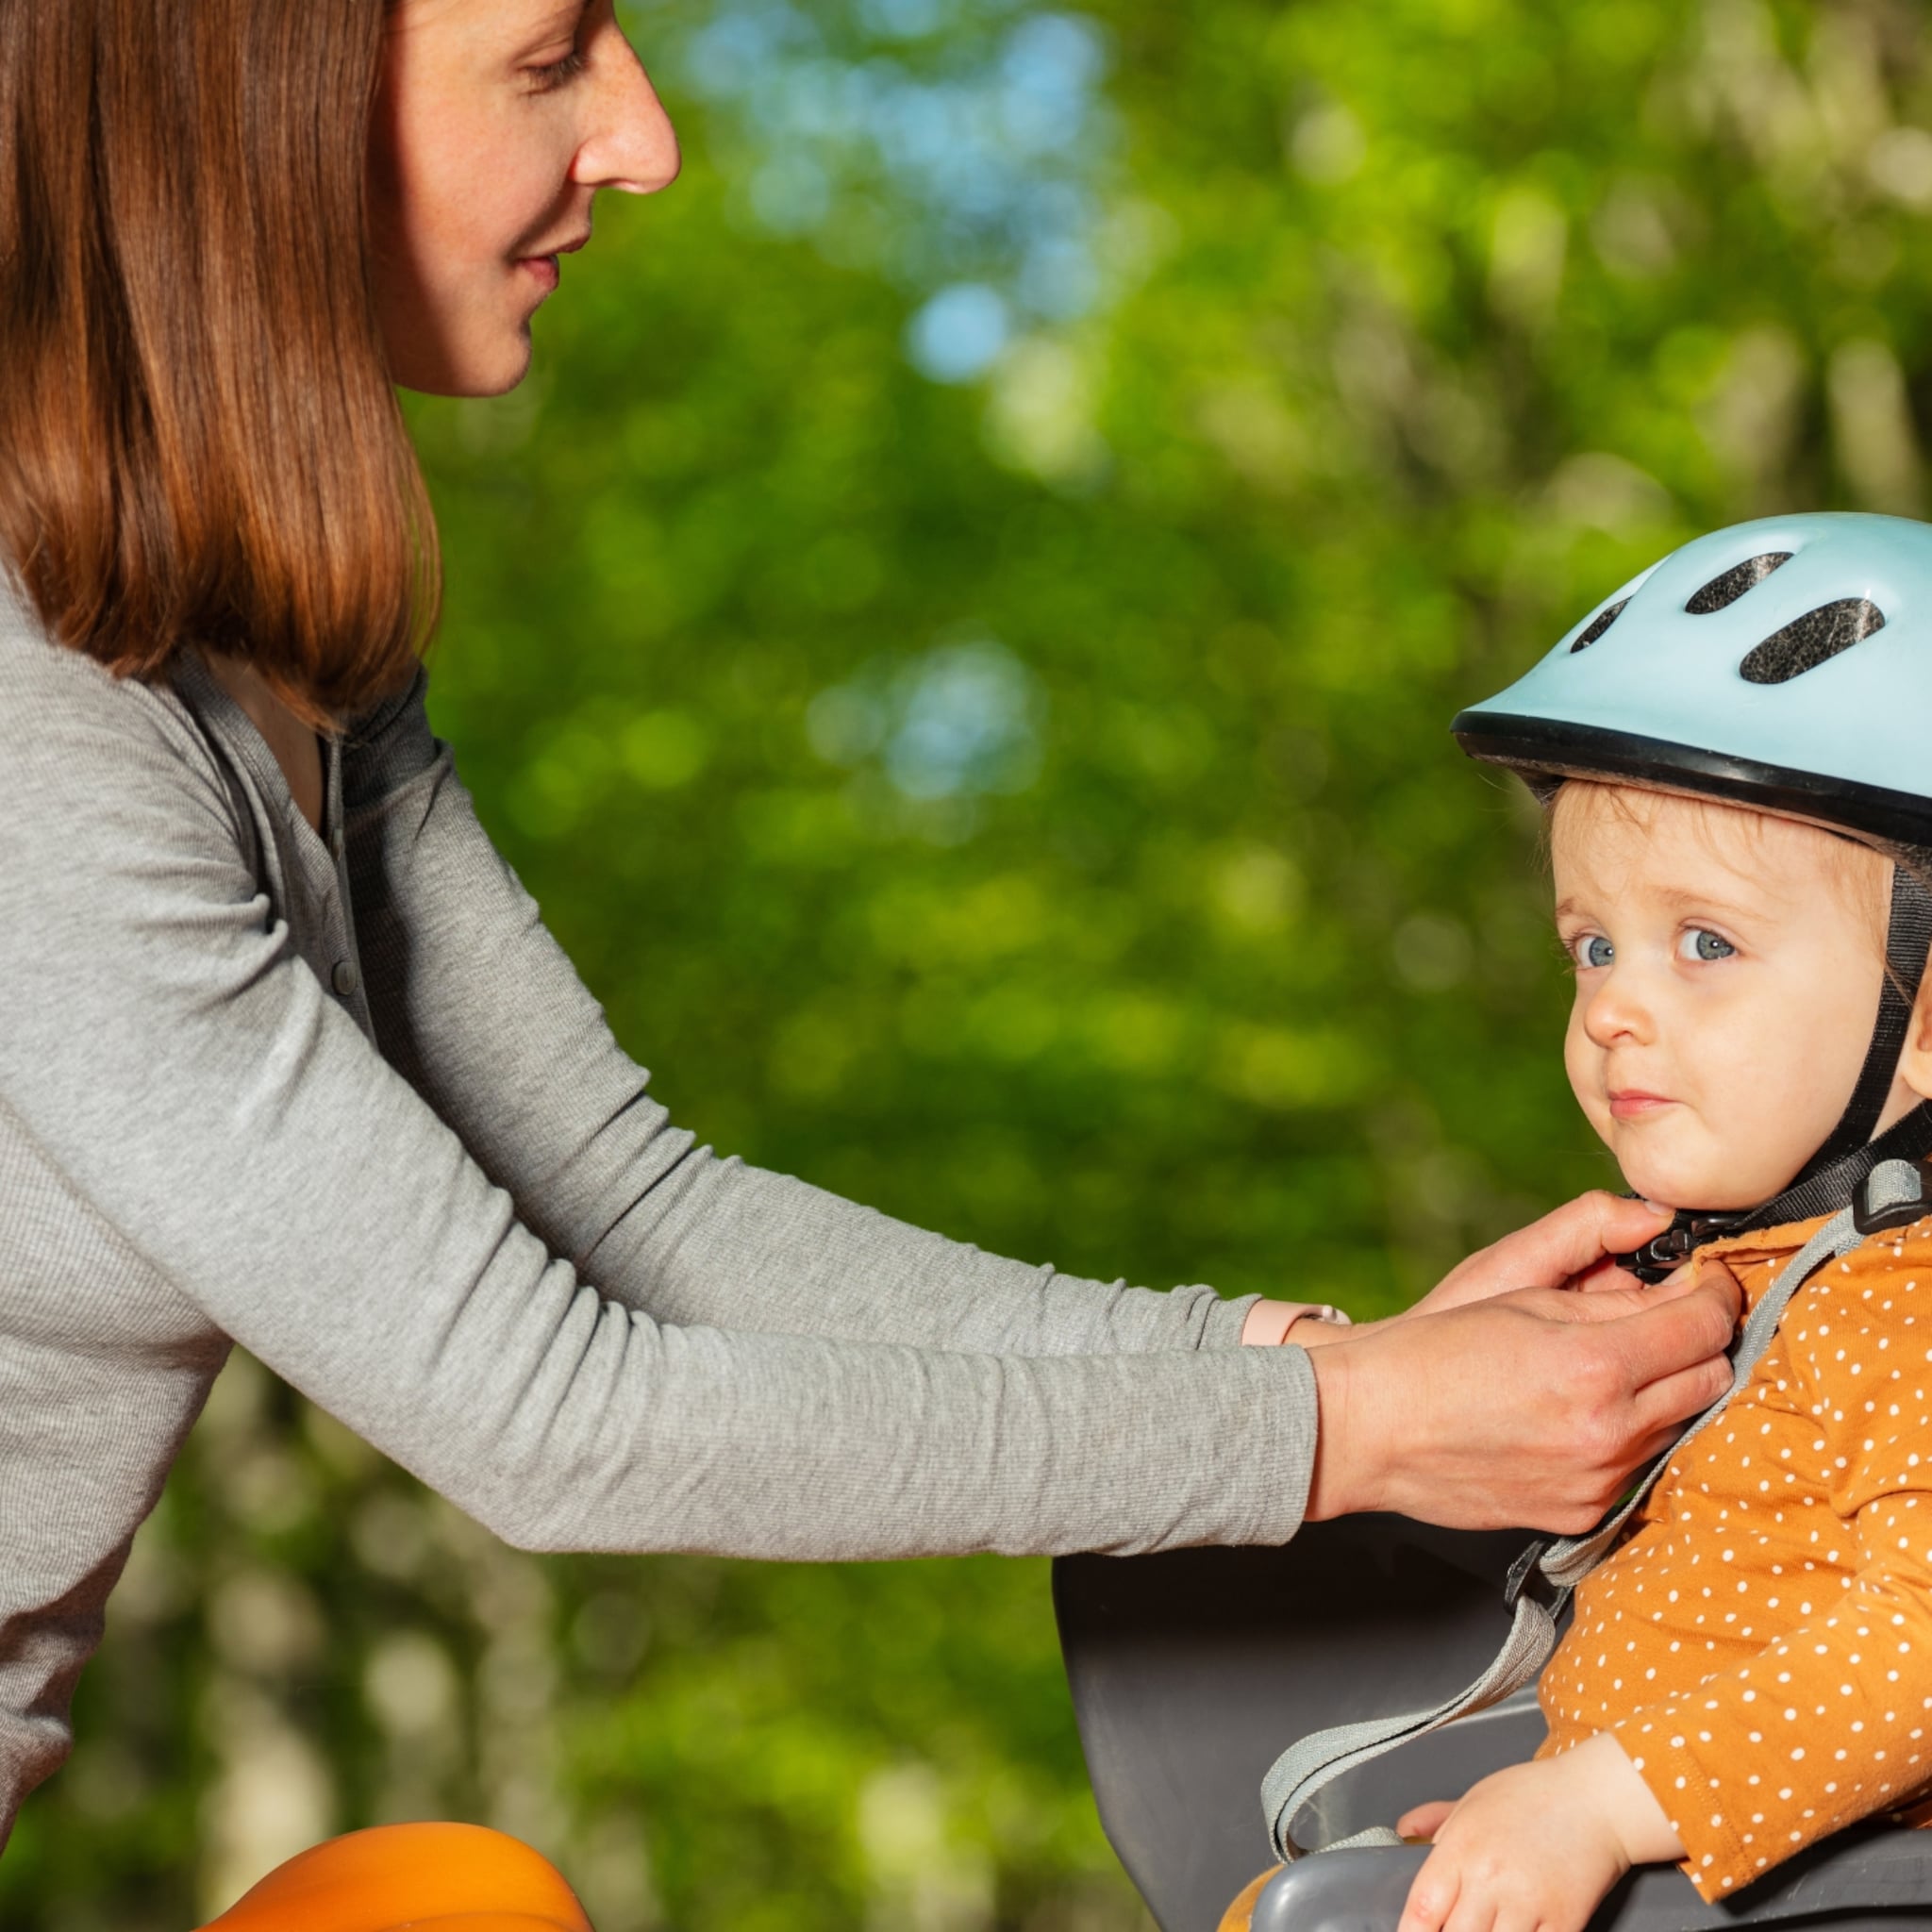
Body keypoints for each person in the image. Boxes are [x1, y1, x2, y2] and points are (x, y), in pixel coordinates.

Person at [0, 2, 1743, 1925]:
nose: (644, 141)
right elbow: (552, 1415)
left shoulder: (277, 648)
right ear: (255, 87)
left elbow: (631, 1211)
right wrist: (1364, 1435)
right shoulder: (33, 719)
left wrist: (1310, 1361)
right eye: (548, 53)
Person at [1223, 513, 1932, 1932]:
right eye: (1592, 945)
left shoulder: (1908, 1305)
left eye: (1705, 944)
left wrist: (1605, 1807)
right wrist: (1543, 1787)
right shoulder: (1766, 1278)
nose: (1609, 1002)